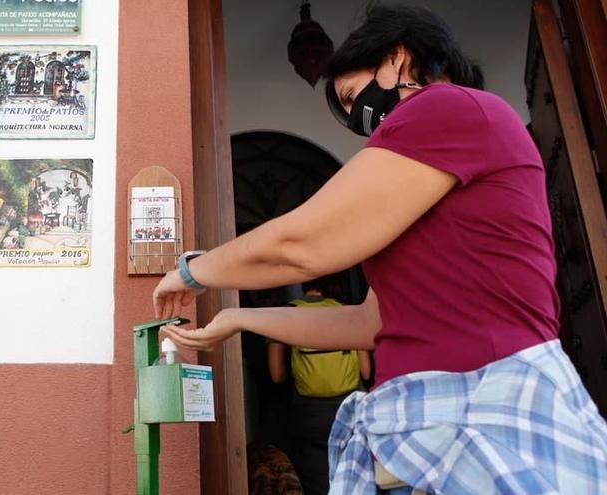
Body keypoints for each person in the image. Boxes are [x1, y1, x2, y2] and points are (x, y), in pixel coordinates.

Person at [152, 4, 607, 494]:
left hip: (487, 411)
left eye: (353, 96)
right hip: (443, 424)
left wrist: (195, 270)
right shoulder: (432, 176)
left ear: (396, 58)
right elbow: (371, 323)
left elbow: (304, 243)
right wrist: (239, 320)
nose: (361, 122)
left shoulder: (447, 106)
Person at [267, 277, 371, 495]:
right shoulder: (346, 312)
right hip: (350, 410)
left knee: (317, 483)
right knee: (356, 477)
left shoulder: (285, 315)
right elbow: (366, 371)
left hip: (308, 414)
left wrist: (299, 371)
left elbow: (276, 375)